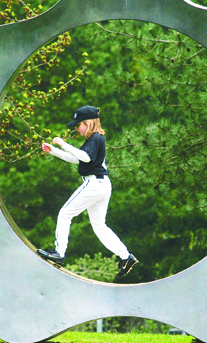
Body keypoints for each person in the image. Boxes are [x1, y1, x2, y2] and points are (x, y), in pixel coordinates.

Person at [37, 105, 138, 277]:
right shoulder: (93, 140)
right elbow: (78, 160)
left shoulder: (96, 139)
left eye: (78, 125)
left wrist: (64, 144)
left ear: (88, 123)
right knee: (99, 226)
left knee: (64, 214)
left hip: (94, 184)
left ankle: (59, 253)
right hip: (103, 185)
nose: (77, 129)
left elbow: (85, 157)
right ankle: (126, 256)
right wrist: (54, 151)